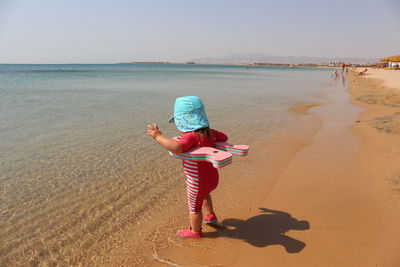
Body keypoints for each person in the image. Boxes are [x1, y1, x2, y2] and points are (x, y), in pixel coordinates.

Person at [146, 96, 228, 238]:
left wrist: (158, 136)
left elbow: (177, 147)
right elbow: (224, 137)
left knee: (194, 208)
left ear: (183, 121)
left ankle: (195, 232)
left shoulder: (190, 137)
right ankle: (210, 216)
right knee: (205, 195)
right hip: (213, 178)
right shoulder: (211, 133)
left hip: (196, 182)